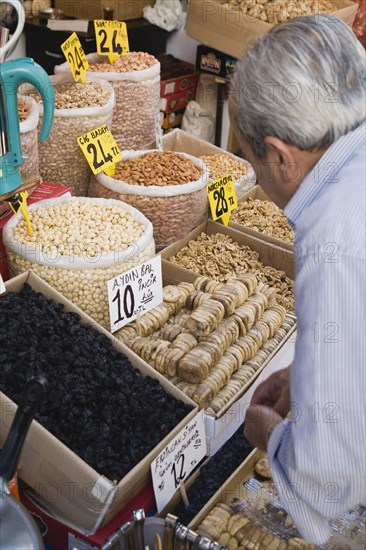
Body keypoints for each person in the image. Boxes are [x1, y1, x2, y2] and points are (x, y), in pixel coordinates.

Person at [229, 14, 366, 545]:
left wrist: (270, 434)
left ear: (282, 157)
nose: (255, 178)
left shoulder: (334, 240)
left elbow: (329, 478)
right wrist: (312, 377)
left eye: (250, 158)